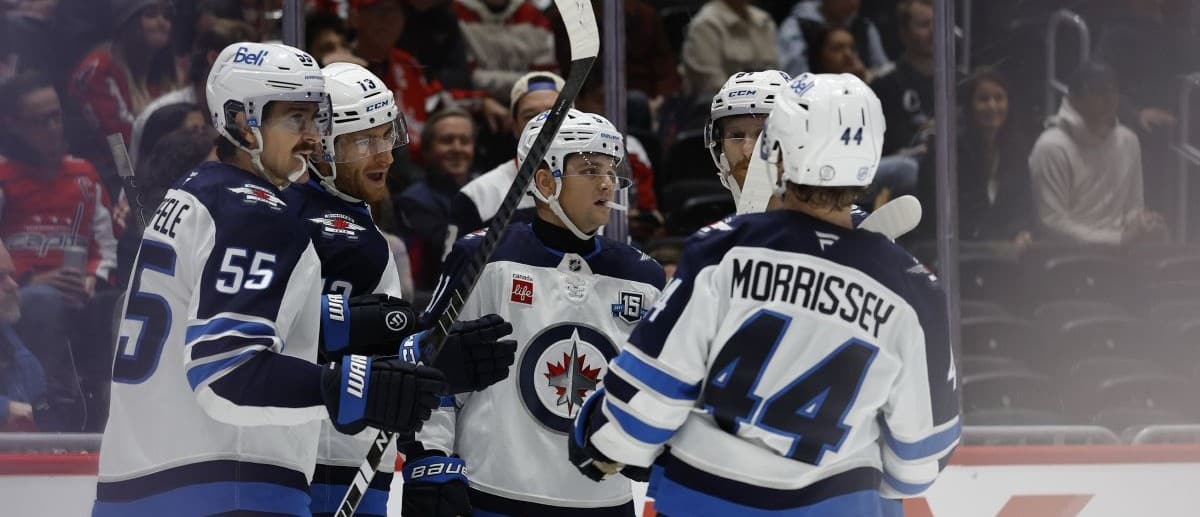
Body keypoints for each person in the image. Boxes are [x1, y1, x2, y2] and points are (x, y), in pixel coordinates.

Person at [569, 73, 960, 516]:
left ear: (777, 150)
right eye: (737, 133)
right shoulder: (914, 288)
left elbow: (640, 412)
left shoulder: (722, 251)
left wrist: (599, 437)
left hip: (709, 500)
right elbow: (918, 461)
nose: (748, 148)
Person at [92, 42, 447, 515]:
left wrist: (339, 322)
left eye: (315, 119)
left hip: (137, 485)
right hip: (226, 488)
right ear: (241, 121)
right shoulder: (256, 214)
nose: (312, 137)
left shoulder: (194, 194)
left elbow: (215, 320)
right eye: (294, 119)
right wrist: (357, 386)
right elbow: (226, 368)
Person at [405, 110, 665, 517]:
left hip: (606, 502)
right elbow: (434, 369)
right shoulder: (485, 257)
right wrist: (428, 457)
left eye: (611, 169)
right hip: (494, 492)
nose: (606, 182)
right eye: (590, 168)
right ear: (545, 181)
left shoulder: (643, 276)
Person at [284, 62, 516, 517]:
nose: (385, 155)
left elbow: (376, 349)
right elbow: (289, 339)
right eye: (365, 140)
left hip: (356, 456)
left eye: (387, 134)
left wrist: (423, 443)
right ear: (322, 146)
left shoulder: (356, 219)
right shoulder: (296, 221)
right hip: (312, 459)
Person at [0, 71, 119, 431]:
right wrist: (30, 278)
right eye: (40, 121)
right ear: (13, 125)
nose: (53, 128)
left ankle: (111, 412)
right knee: (39, 300)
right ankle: (47, 409)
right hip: (19, 294)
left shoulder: (84, 174)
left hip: (82, 291)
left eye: (56, 116)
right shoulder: (3, 176)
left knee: (119, 303)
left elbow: (106, 245)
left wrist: (90, 279)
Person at [1029, 62, 1167, 246]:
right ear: (1074, 98)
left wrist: (1143, 223)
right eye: (1100, 91)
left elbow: (1133, 208)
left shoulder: (1128, 140)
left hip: (1122, 253)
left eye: (1114, 91)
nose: (1110, 99)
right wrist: (1117, 239)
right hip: (1067, 257)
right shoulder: (1051, 146)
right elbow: (1052, 222)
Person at [69, 0, 179, 178]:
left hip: (153, 170)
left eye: (167, 15)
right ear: (128, 21)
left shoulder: (163, 70)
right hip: (109, 174)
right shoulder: (98, 67)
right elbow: (117, 146)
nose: (162, 23)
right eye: (151, 14)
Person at [448, 71, 563, 242]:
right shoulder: (477, 196)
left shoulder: (602, 188)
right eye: (530, 116)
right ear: (514, 126)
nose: (542, 124)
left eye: (553, 114)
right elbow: (456, 267)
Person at [129, 18, 257, 168]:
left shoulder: (243, 113)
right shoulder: (162, 117)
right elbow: (150, 185)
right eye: (247, 65)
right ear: (214, 59)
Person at [399, 107, 478, 291]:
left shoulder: (487, 189)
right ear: (427, 150)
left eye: (464, 141)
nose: (457, 148)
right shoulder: (413, 200)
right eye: (447, 140)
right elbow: (448, 254)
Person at [955, 68, 1035, 245]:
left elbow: (1022, 205)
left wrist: (1020, 231)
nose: (992, 106)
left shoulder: (1017, 150)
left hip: (1004, 250)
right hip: (960, 250)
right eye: (983, 99)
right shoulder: (949, 152)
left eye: (999, 98)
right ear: (969, 106)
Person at [451, 0, 557, 104]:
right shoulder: (456, 14)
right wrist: (525, 80)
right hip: (476, 104)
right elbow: (464, 78)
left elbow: (546, 75)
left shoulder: (533, 16)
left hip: (531, 99)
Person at [869, 0, 933, 157]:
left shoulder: (960, 80)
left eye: (938, 24)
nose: (934, 31)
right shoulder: (883, 86)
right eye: (924, 25)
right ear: (904, 33)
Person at [680, 0, 780, 100]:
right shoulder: (705, 26)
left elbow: (777, 75)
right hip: (722, 108)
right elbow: (714, 89)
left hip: (768, 103)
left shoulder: (763, 19)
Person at [778, 0, 891, 78]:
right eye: (837, 48)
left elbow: (882, 71)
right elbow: (794, 79)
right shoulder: (797, 27)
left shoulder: (864, 26)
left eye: (853, 48)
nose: (852, 3)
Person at [0, 240, 45, 432]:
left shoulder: (8, 338)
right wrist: (4, 409)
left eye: (11, 275)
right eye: (0, 277)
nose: (13, 285)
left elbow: (35, 405)